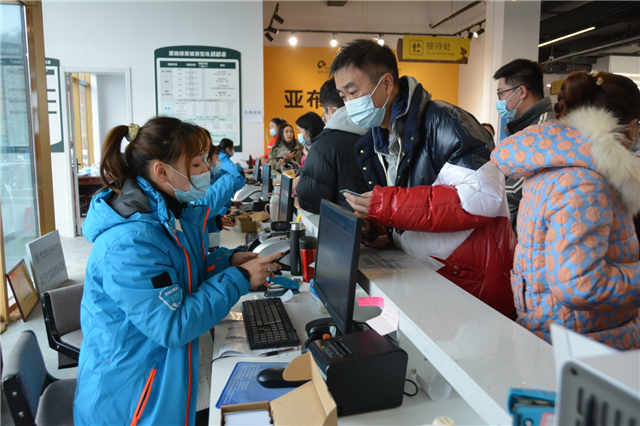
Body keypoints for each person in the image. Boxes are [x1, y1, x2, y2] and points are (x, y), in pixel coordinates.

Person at [74, 117, 283, 425]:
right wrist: (238, 279)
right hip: (132, 403)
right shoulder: (130, 243)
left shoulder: (166, 214)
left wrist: (228, 262)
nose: (207, 172)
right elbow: (172, 324)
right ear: (162, 171)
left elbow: (181, 274)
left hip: (158, 374)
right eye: (197, 164)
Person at [333, 39, 516, 318]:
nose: (348, 104)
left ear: (385, 84)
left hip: (468, 277)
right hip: (428, 273)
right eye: (342, 96)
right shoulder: (376, 140)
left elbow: (483, 197)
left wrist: (388, 206)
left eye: (353, 92)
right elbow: (415, 207)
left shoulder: (446, 121)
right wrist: (379, 230)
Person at [492, 70, 640, 349]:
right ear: (632, 129)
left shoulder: (552, 164)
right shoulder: (585, 182)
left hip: (556, 332)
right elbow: (579, 284)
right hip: (586, 343)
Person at [493, 59, 554, 233]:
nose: (500, 101)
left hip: (534, 229)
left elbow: (520, 186)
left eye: (501, 94)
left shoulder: (544, 130)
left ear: (521, 92)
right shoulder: (526, 127)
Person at [296, 77, 370, 214]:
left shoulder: (323, 146)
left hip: (343, 225)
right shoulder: (377, 133)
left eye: (324, 114)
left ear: (332, 111)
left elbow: (311, 201)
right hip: (382, 225)